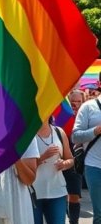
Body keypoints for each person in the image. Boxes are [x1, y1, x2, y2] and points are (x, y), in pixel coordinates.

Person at [72, 71, 101, 224]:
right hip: (94, 166)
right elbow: (75, 136)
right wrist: (96, 131)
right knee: (100, 214)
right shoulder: (88, 107)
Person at [32, 117, 73, 224]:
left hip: (57, 192)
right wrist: (42, 158)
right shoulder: (27, 135)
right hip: (33, 193)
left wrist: (64, 164)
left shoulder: (59, 132)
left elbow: (70, 159)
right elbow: (21, 165)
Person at [65, 90, 85, 224]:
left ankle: (73, 221)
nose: (76, 105)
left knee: (74, 196)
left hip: (76, 162)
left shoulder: (86, 118)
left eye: (79, 102)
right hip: (58, 160)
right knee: (61, 197)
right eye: (73, 102)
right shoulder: (62, 117)